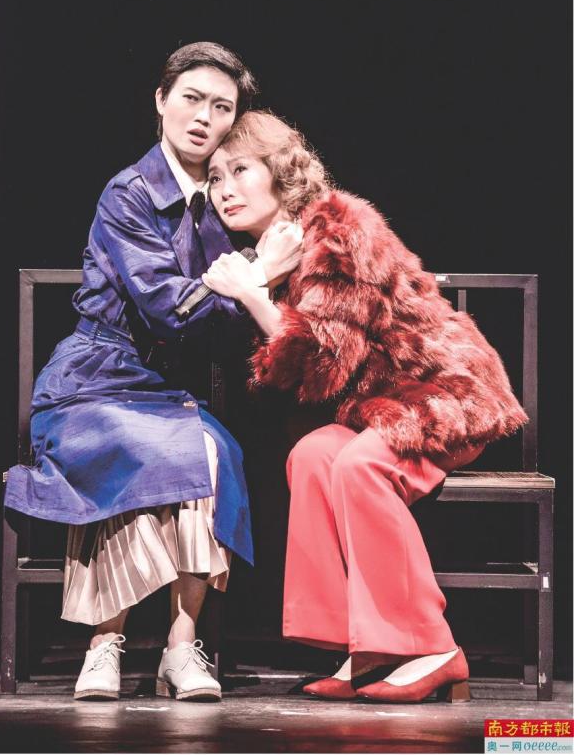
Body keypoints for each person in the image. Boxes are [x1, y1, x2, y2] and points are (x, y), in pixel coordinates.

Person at [4, 44, 301, 703]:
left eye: (221, 107)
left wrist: (258, 281)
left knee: (208, 451)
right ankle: (102, 644)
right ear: (161, 100)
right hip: (93, 380)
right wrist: (257, 275)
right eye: (191, 98)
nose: (204, 117)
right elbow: (170, 308)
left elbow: (229, 325)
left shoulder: (225, 204)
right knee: (133, 447)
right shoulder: (130, 193)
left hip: (167, 391)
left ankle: (180, 645)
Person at [202, 110, 529, 703]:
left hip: (441, 395)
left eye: (240, 170)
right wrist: (261, 280)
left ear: (280, 170)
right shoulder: (275, 254)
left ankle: (434, 647)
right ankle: (365, 643)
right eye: (215, 178)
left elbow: (324, 361)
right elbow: (297, 384)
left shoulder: (337, 229)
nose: (225, 189)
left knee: (359, 464)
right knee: (312, 456)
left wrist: (252, 292)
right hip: (375, 409)